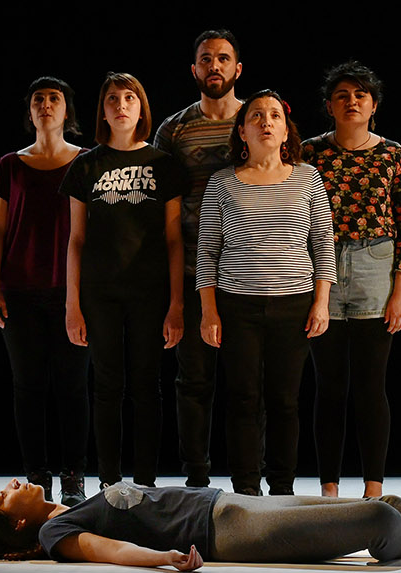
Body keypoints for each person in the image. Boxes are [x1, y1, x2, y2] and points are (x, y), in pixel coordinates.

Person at [197, 89, 336, 496]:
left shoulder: (308, 179)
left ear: (285, 128)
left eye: (274, 115)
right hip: (236, 304)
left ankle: (281, 489)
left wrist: (322, 301)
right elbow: (207, 250)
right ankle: (245, 490)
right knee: (242, 399)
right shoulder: (221, 183)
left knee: (284, 401)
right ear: (242, 131)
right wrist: (209, 311)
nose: (266, 122)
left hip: (293, 304)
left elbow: (323, 242)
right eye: (256, 116)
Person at [0, 479, 401, 566]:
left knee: (395, 509)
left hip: (232, 504)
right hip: (227, 533)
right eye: (2, 498)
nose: (12, 486)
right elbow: (101, 548)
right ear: (16, 527)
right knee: (379, 517)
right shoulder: (55, 532)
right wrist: (162, 560)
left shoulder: (65, 504)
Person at [61, 72, 185, 489]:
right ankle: (111, 484)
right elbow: (75, 240)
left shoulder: (163, 164)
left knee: (148, 387)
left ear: (141, 107)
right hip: (100, 294)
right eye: (112, 98)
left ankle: (146, 483)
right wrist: (72, 304)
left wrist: (177, 303)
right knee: (107, 387)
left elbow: (173, 239)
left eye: (129, 97)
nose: (121, 105)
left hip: (151, 293)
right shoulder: (86, 165)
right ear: (103, 111)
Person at [299, 62, 401, 498]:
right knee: (329, 386)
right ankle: (329, 488)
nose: (352, 102)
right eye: (343, 95)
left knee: (371, 386)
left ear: (374, 105)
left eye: (361, 95)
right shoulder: (309, 153)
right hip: (321, 268)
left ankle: (373, 488)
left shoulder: (392, 153)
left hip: (376, 265)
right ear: (329, 105)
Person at [0, 77, 91, 506]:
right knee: (27, 385)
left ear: (67, 111)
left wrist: (82, 294)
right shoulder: (10, 164)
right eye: (38, 100)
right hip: (20, 289)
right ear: (29, 112)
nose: (46, 105)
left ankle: (74, 474)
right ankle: (36, 474)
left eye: (54, 99)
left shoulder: (86, 161)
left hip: (72, 291)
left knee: (72, 385)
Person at [153, 29, 244, 488]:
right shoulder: (174, 129)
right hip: (190, 268)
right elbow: (159, 205)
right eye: (206, 58)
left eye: (223, 58)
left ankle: (252, 481)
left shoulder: (259, 120)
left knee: (250, 386)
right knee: (194, 381)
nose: (214, 66)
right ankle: (197, 478)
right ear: (194, 69)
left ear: (237, 69)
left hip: (251, 273)